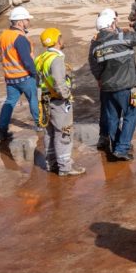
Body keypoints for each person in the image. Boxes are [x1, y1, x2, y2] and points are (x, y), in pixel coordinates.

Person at [88, 9, 136, 161]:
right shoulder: (121, 38)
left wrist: (100, 79)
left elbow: (95, 66)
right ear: (112, 23)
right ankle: (122, 148)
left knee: (113, 118)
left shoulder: (96, 46)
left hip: (107, 88)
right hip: (125, 86)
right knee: (130, 115)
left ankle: (116, 146)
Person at [35, 28, 85, 176]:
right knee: (64, 132)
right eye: (60, 37)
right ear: (57, 40)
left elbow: (38, 82)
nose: (62, 39)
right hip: (58, 102)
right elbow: (58, 81)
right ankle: (65, 167)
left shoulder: (41, 58)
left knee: (49, 133)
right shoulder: (56, 59)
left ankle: (52, 163)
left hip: (45, 100)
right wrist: (66, 95)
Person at [0, 6, 40, 143]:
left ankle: (1, 132)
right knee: (33, 100)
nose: (28, 22)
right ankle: (40, 125)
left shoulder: (4, 36)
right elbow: (27, 60)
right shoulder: (20, 38)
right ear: (20, 22)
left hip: (10, 78)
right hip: (25, 77)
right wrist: (35, 74)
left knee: (9, 103)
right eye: (27, 20)